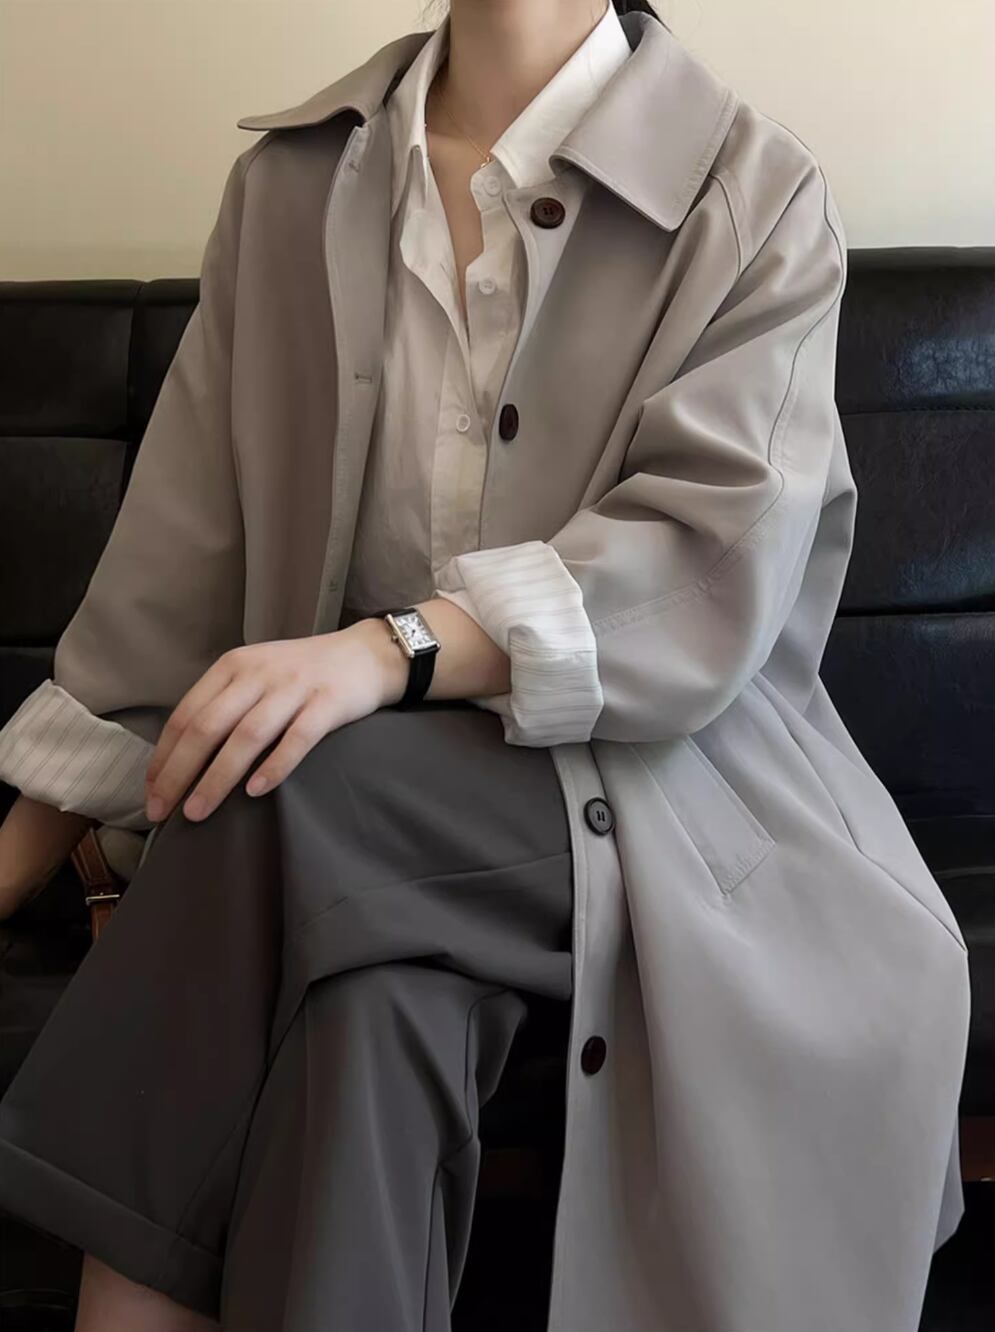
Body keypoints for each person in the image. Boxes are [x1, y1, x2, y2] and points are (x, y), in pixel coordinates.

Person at [0, 3, 971, 1331]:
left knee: (289, 775)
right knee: (367, 1010)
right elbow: (178, 569)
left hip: (678, 800)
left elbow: (704, 565)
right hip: (365, 834)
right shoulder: (292, 188)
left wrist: (386, 651)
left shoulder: (752, 195)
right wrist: (19, 852)